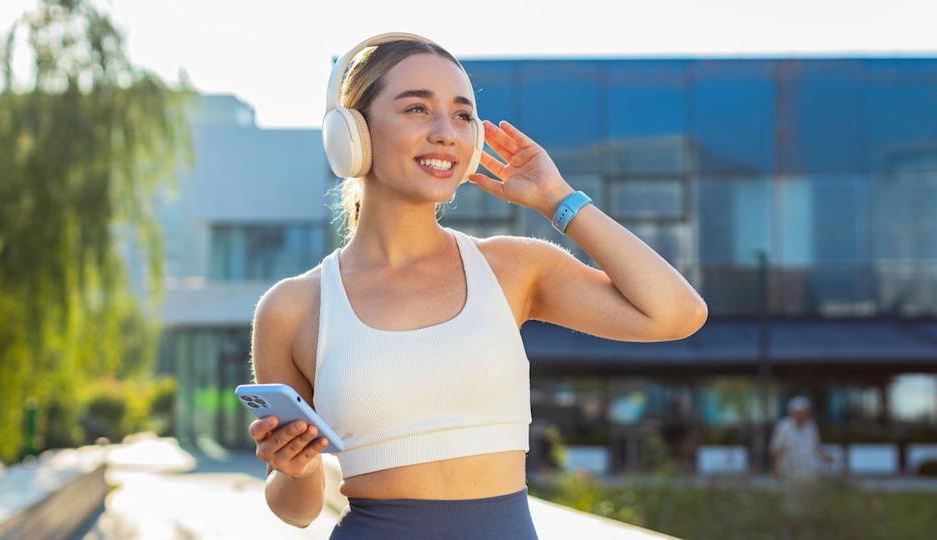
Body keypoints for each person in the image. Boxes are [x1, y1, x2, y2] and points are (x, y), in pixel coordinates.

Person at [246, 32, 708, 539]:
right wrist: (298, 467)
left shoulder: (512, 268)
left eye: (463, 115)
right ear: (353, 134)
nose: (447, 132)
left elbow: (676, 314)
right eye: (417, 109)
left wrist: (558, 200)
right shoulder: (293, 307)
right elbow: (297, 510)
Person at [769, 396, 832, 484]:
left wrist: (825, 457)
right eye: (799, 412)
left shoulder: (811, 426)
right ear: (792, 413)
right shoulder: (783, 427)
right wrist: (775, 470)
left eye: (804, 412)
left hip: (809, 472)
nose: (802, 415)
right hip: (788, 472)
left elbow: (816, 446)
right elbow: (775, 450)